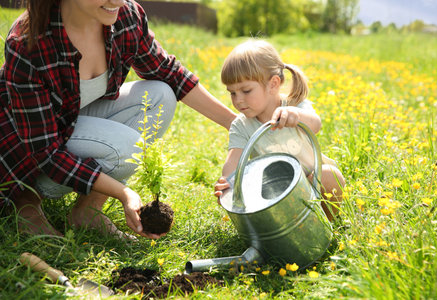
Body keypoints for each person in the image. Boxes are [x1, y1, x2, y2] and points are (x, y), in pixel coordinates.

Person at [0, 0, 236, 239]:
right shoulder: (28, 43)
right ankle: (26, 197)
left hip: (71, 123)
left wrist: (234, 123)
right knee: (127, 146)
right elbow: (45, 151)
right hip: (26, 150)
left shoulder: (124, 17)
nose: (118, 1)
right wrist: (124, 193)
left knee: (160, 96)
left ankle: (87, 212)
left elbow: (168, 72)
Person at [213, 39, 345, 221]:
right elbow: (233, 162)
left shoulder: (294, 105)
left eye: (246, 91)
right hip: (275, 196)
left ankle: (323, 224)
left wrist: (296, 115)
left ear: (273, 84)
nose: (238, 100)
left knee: (330, 175)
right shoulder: (241, 125)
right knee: (249, 197)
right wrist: (228, 183)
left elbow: (316, 124)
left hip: (312, 185)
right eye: (232, 93)